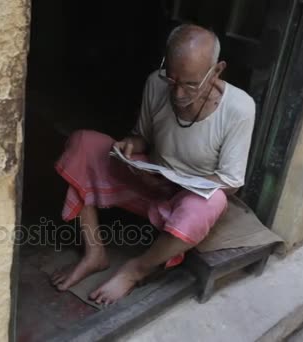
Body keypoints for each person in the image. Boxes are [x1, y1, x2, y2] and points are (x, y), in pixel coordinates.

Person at [50, 24, 256, 305]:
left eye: (191, 84)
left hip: (186, 198)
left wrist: (181, 182)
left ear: (217, 70)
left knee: (213, 202)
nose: (179, 94)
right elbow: (142, 137)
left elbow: (230, 181)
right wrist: (130, 147)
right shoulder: (156, 83)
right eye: (173, 80)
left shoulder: (239, 108)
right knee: (84, 143)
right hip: (149, 181)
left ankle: (135, 270)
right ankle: (94, 253)